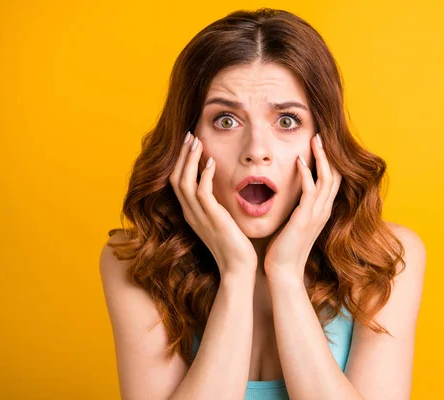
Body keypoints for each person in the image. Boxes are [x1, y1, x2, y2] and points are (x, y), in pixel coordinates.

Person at [99, 7, 426, 400]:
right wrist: (236, 274)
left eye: (287, 121)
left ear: (322, 140)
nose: (256, 151)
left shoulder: (386, 258)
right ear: (187, 141)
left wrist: (285, 273)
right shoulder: (136, 263)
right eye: (225, 120)